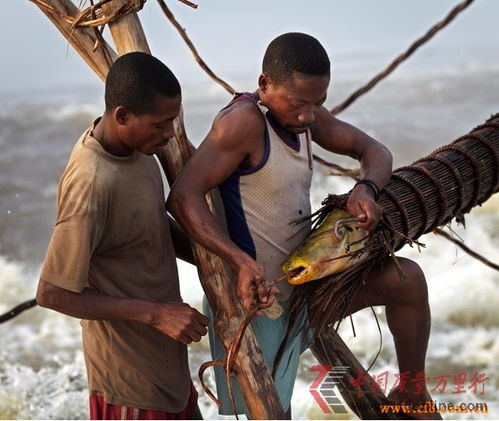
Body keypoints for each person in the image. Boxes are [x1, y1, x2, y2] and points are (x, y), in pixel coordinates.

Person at [167, 33, 440, 419]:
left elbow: (376, 152)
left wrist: (365, 189)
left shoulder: (306, 116)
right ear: (265, 84)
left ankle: (412, 394)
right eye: (298, 103)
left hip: (305, 284)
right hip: (259, 301)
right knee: (272, 412)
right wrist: (239, 263)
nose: (308, 116)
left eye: (318, 103)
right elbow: (183, 197)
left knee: (407, 280)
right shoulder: (243, 123)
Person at [36, 52, 209, 420]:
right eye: (161, 126)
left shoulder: (139, 150)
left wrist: (221, 255)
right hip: (130, 386)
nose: (169, 137)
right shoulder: (91, 182)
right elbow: (52, 293)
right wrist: (157, 315)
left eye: (172, 123)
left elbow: (152, 227)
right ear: (122, 116)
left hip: (168, 372)